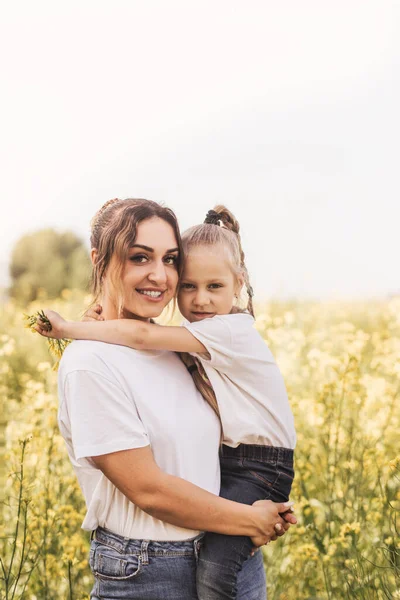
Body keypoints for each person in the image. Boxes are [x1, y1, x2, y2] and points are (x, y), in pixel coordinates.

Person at [36, 198, 296, 600]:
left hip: (228, 550)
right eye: (140, 257)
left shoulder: (180, 349)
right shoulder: (90, 362)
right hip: (151, 571)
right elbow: (149, 490)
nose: (160, 275)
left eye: (171, 260)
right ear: (99, 259)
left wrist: (255, 511)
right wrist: (249, 519)